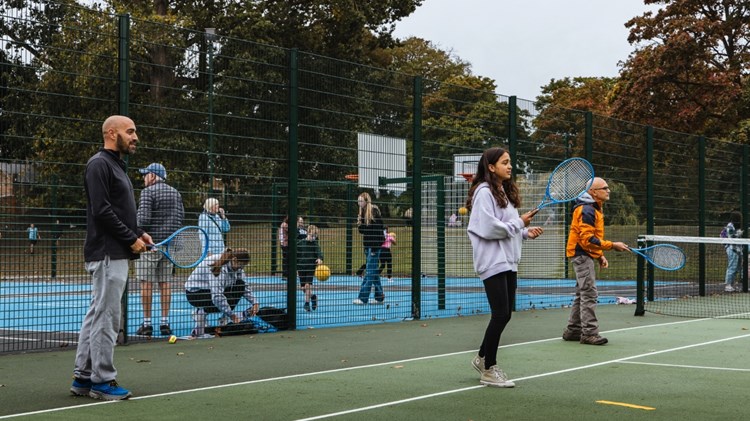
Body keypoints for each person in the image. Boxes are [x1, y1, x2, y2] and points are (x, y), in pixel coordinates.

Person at [70, 115, 152, 401]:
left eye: (135, 131)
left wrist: (139, 232)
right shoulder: (99, 164)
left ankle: (83, 377)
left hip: (115, 251)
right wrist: (130, 238)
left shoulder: (116, 165)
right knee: (107, 317)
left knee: (97, 314)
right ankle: (102, 381)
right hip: (108, 253)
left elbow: (119, 210)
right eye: (130, 131)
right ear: (111, 133)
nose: (135, 137)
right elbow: (102, 212)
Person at [465, 147, 543, 388]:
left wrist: (525, 232)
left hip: (509, 261)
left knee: (505, 313)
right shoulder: (484, 192)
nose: (510, 166)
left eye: (510, 162)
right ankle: (489, 369)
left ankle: (481, 357)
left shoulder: (503, 193)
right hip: (492, 261)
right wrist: (520, 222)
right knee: (500, 314)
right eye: (505, 162)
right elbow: (489, 228)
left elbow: (509, 226)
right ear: (491, 167)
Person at [563, 177, 628, 346]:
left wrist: (599, 255)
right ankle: (589, 334)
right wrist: (612, 246)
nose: (608, 190)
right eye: (604, 188)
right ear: (593, 192)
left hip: (584, 254)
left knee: (582, 293)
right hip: (581, 254)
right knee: (589, 293)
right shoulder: (587, 210)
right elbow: (587, 239)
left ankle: (573, 331)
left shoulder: (593, 208)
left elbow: (591, 238)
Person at [134, 163, 185, 337]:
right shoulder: (176, 193)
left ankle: (147, 323)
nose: (144, 177)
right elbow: (180, 217)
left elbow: (142, 219)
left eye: (146, 174)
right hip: (169, 245)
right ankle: (165, 322)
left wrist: (139, 232)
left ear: (153, 176)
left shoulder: (147, 192)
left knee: (146, 283)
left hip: (150, 244)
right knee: (165, 283)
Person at [184, 248, 259, 337]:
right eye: (240, 266)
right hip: (195, 294)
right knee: (219, 299)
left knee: (240, 285)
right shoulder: (218, 267)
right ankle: (201, 312)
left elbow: (244, 286)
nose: (241, 268)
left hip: (210, 290)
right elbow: (217, 296)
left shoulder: (236, 266)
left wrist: (255, 302)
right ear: (234, 260)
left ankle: (224, 318)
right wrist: (232, 315)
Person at [353, 192, 386, 305]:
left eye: (361, 200)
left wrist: (376, 248)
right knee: (374, 273)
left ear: (366, 201)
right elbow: (362, 231)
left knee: (370, 272)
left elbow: (378, 231)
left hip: (374, 246)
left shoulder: (373, 212)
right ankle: (379, 296)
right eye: (358, 201)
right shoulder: (362, 212)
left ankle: (363, 298)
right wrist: (360, 222)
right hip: (367, 246)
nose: (359, 203)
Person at [297, 225, 323, 311]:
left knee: (308, 285)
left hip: (310, 268)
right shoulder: (300, 243)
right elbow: (296, 255)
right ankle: (313, 296)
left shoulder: (315, 244)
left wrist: (319, 259)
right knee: (303, 288)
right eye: (312, 235)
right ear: (307, 233)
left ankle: (306, 303)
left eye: (315, 236)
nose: (313, 238)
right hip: (301, 268)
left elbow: (319, 253)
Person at [723, 211, 743, 292]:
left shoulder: (738, 226)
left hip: (739, 250)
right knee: (732, 267)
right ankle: (728, 285)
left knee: (738, 268)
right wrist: (739, 233)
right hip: (732, 249)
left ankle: (732, 284)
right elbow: (731, 236)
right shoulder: (730, 225)